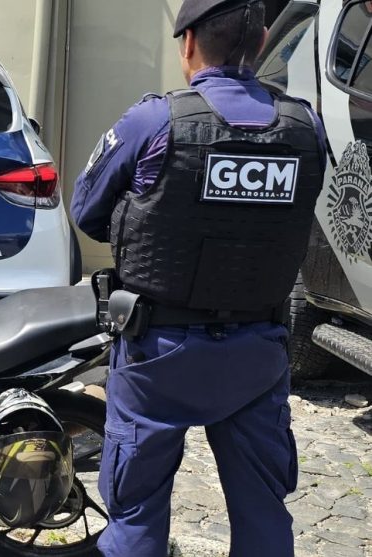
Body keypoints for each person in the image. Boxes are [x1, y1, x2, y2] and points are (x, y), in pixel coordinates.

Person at [71, 1, 327, 555]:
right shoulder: (307, 125)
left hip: (157, 356)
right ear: (261, 43)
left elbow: (86, 210)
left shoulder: (153, 120)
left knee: (135, 518)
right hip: (258, 353)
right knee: (263, 516)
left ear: (187, 43)